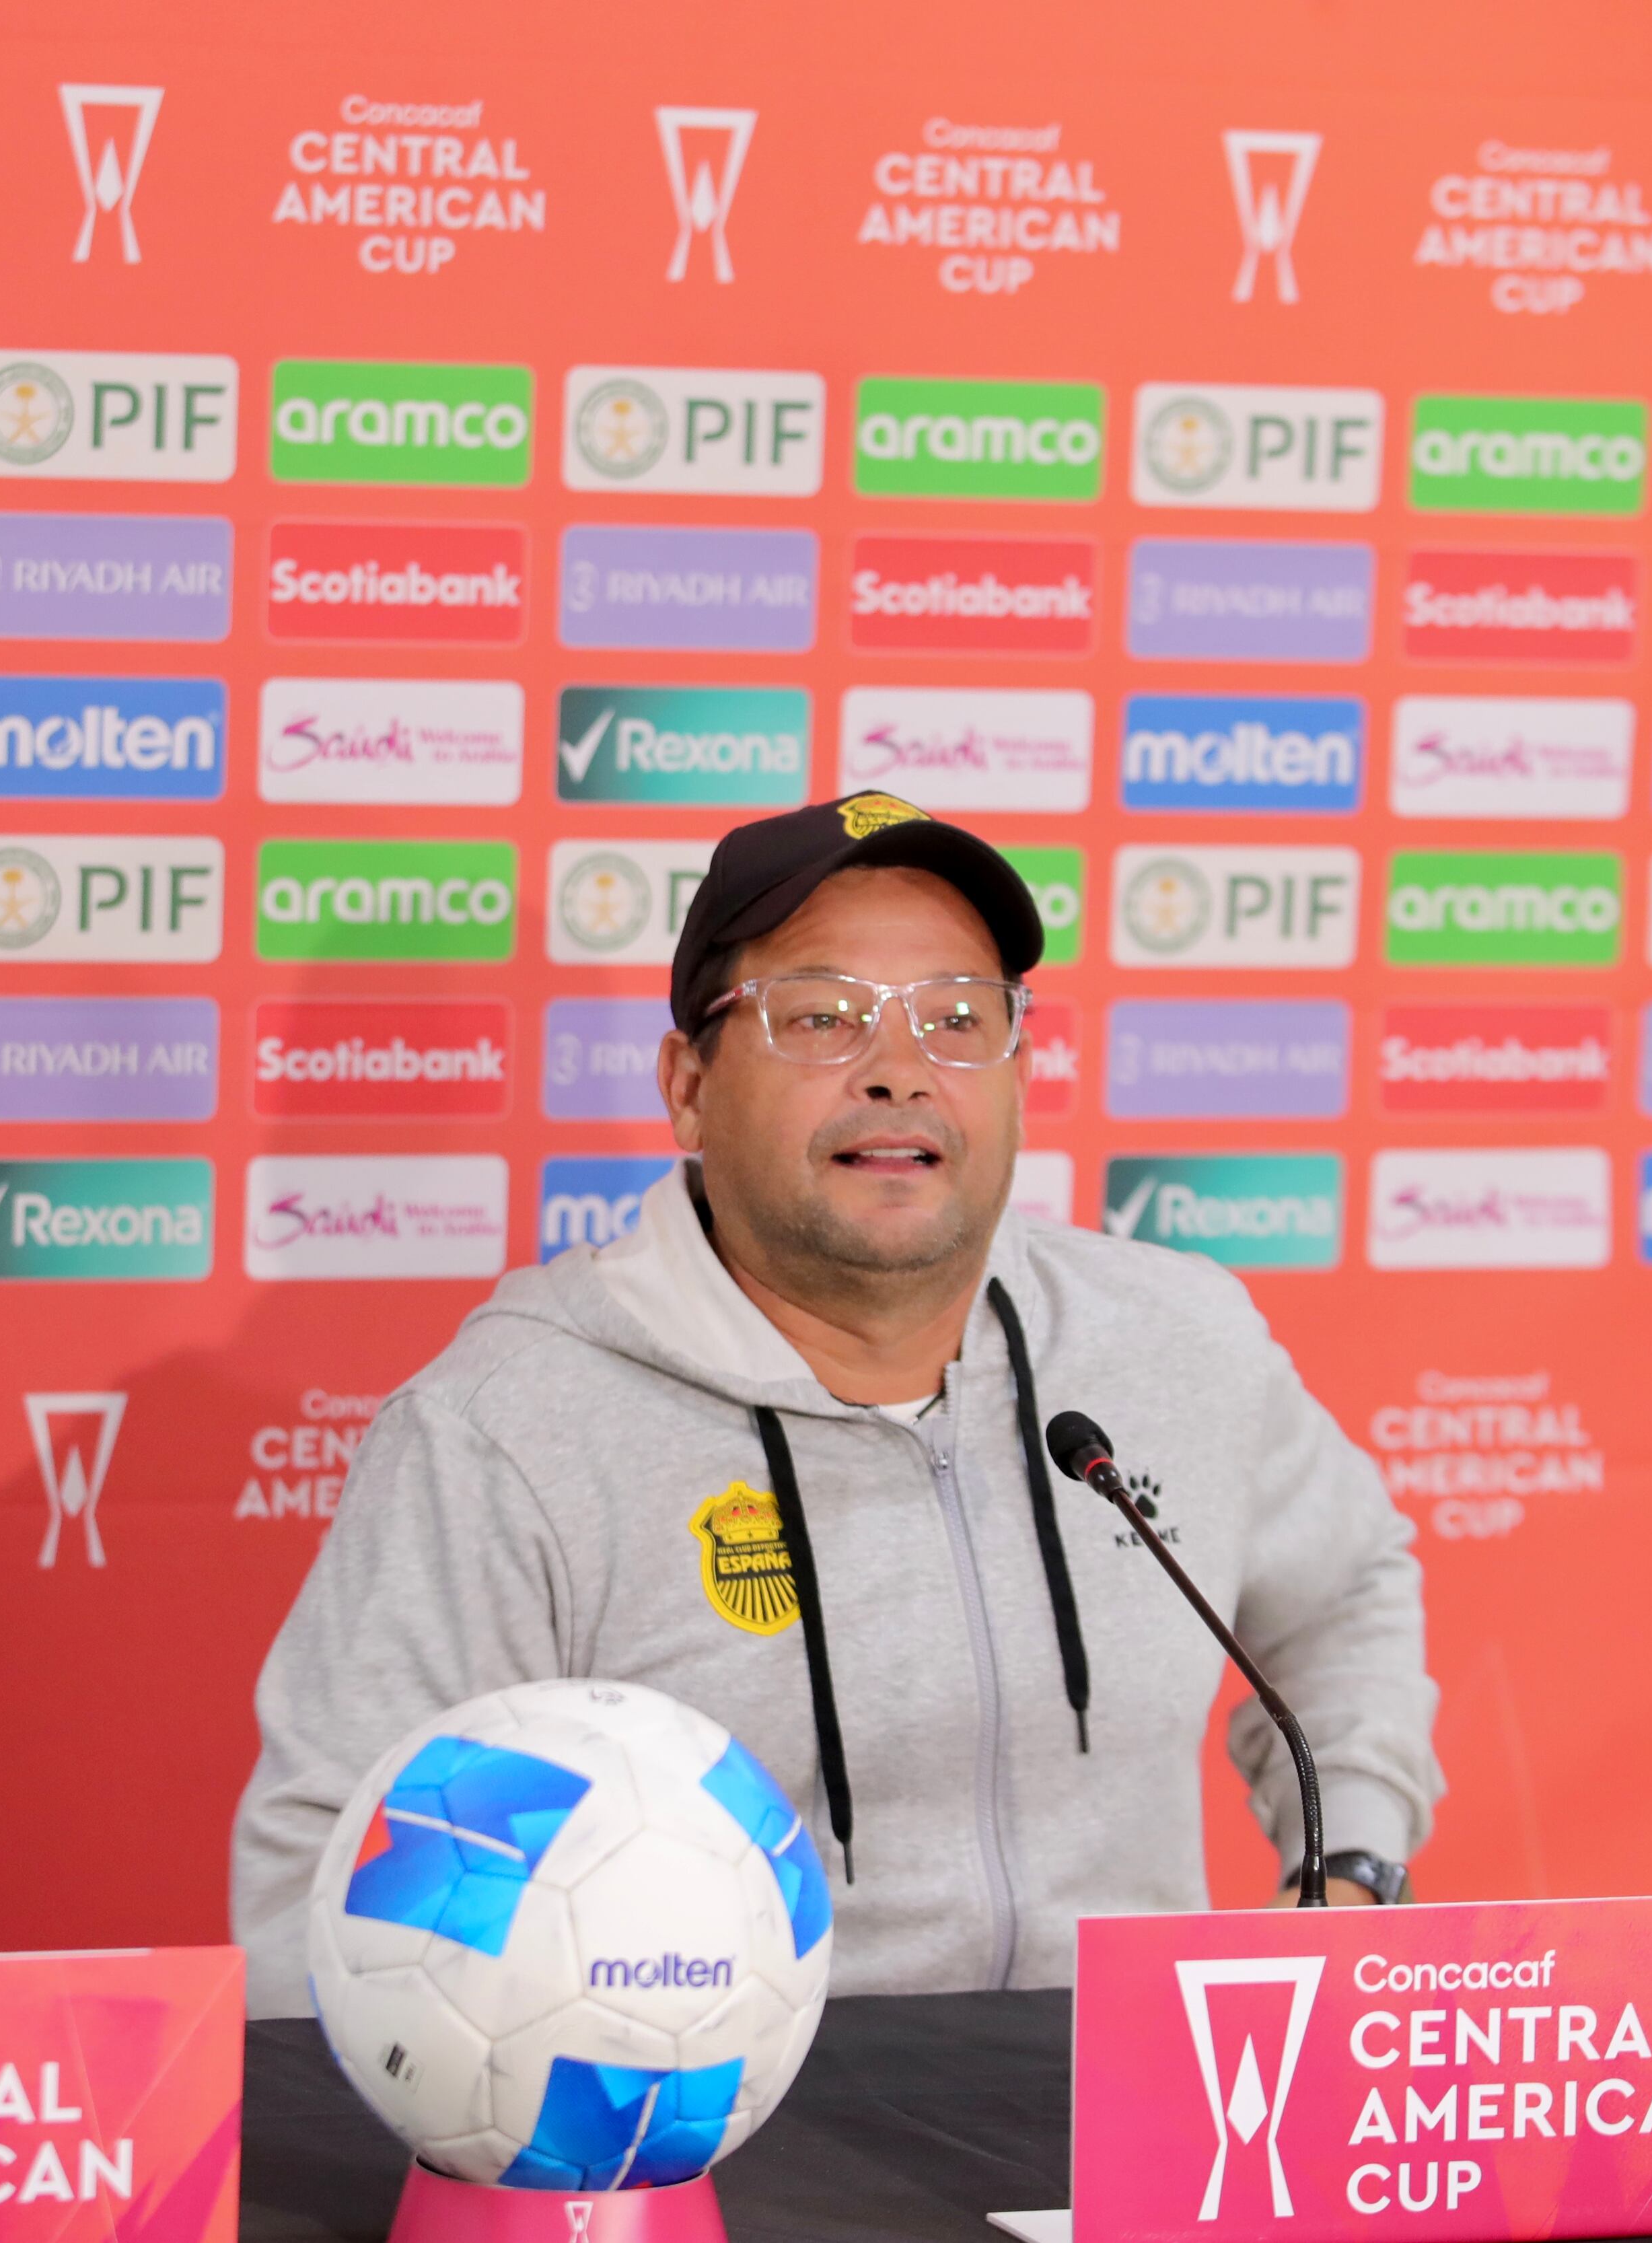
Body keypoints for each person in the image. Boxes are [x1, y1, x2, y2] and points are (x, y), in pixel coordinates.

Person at [232, 792, 1439, 2011]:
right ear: (689, 1086)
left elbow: (1349, 1595)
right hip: (712, 2150)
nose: (899, 1072)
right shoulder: (504, 1432)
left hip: (1138, 2135)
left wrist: (1352, 1862)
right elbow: (331, 1882)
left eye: (959, 1019)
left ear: (1021, 1070)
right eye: (822, 1017)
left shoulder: (1174, 1338)